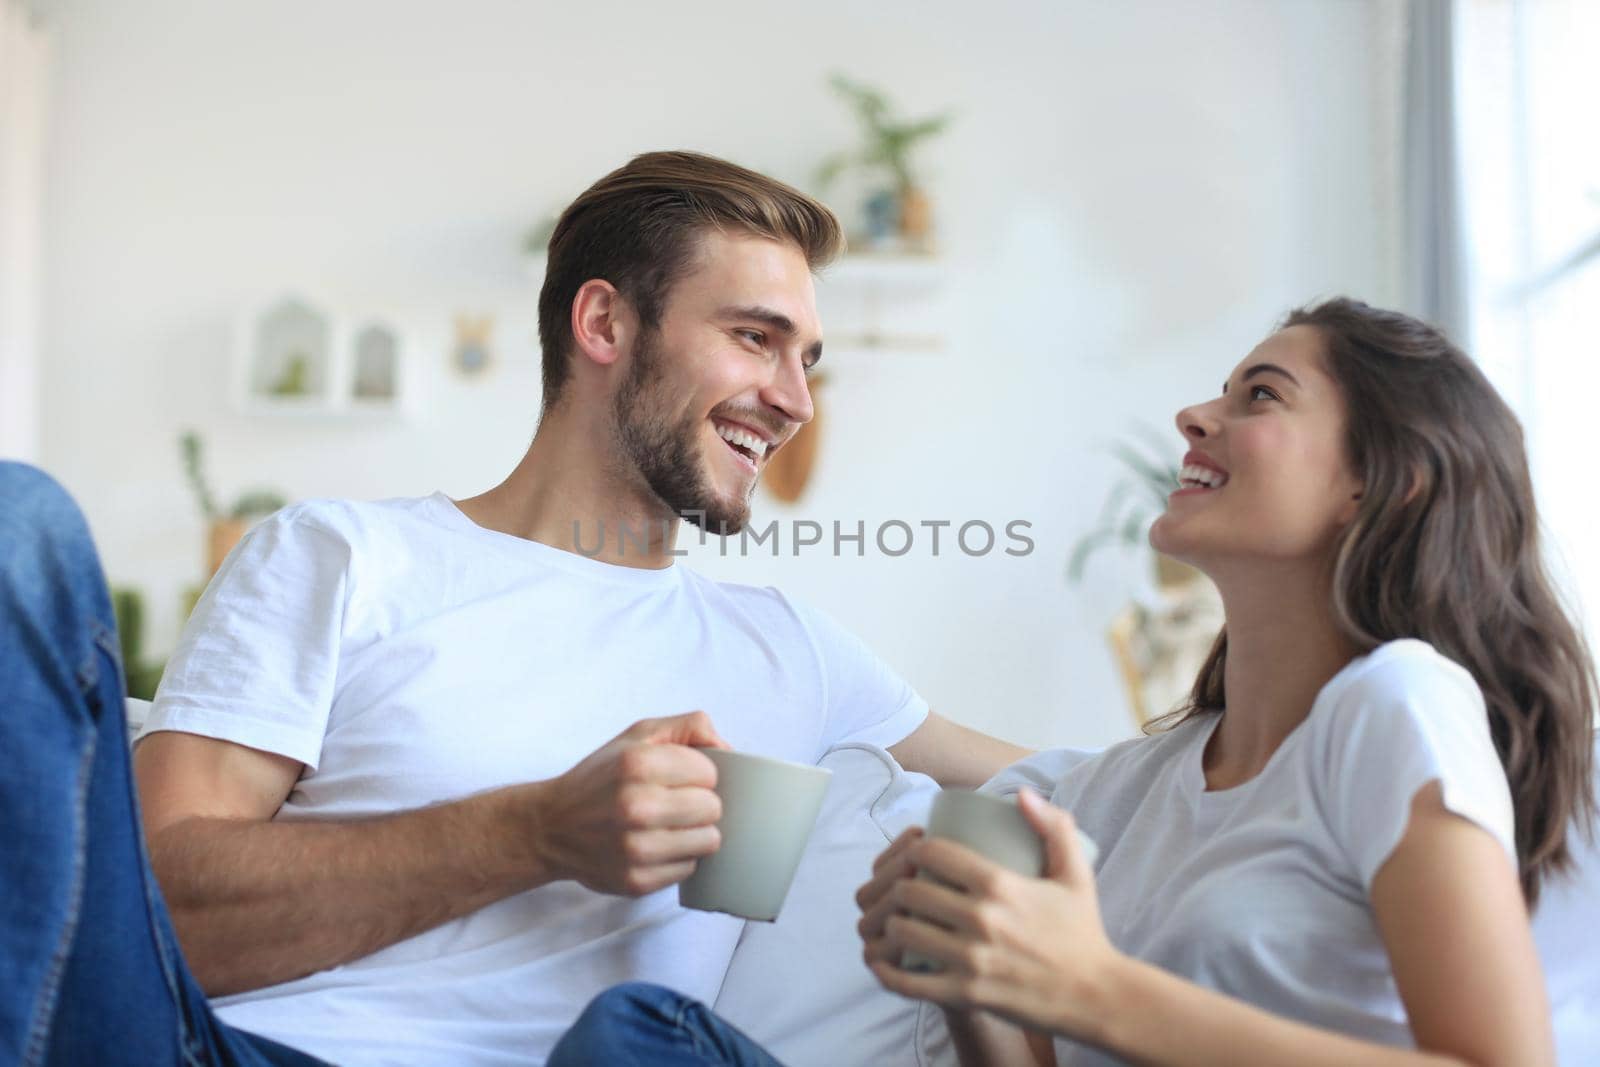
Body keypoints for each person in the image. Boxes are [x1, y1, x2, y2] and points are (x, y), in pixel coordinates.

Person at [116, 150, 1027, 1066]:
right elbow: (152, 926)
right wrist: (535, 831)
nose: (794, 401)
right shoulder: (342, 557)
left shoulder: (795, 652)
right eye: (757, 337)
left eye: (807, 359)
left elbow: (1102, 790)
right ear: (603, 323)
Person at [553, 298, 1596, 1066]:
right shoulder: (1129, 784)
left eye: (1259, 396)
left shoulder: (1393, 703)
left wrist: (1089, 984)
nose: (1193, 415)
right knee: (633, 1033)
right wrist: (966, 975)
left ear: (1383, 479)